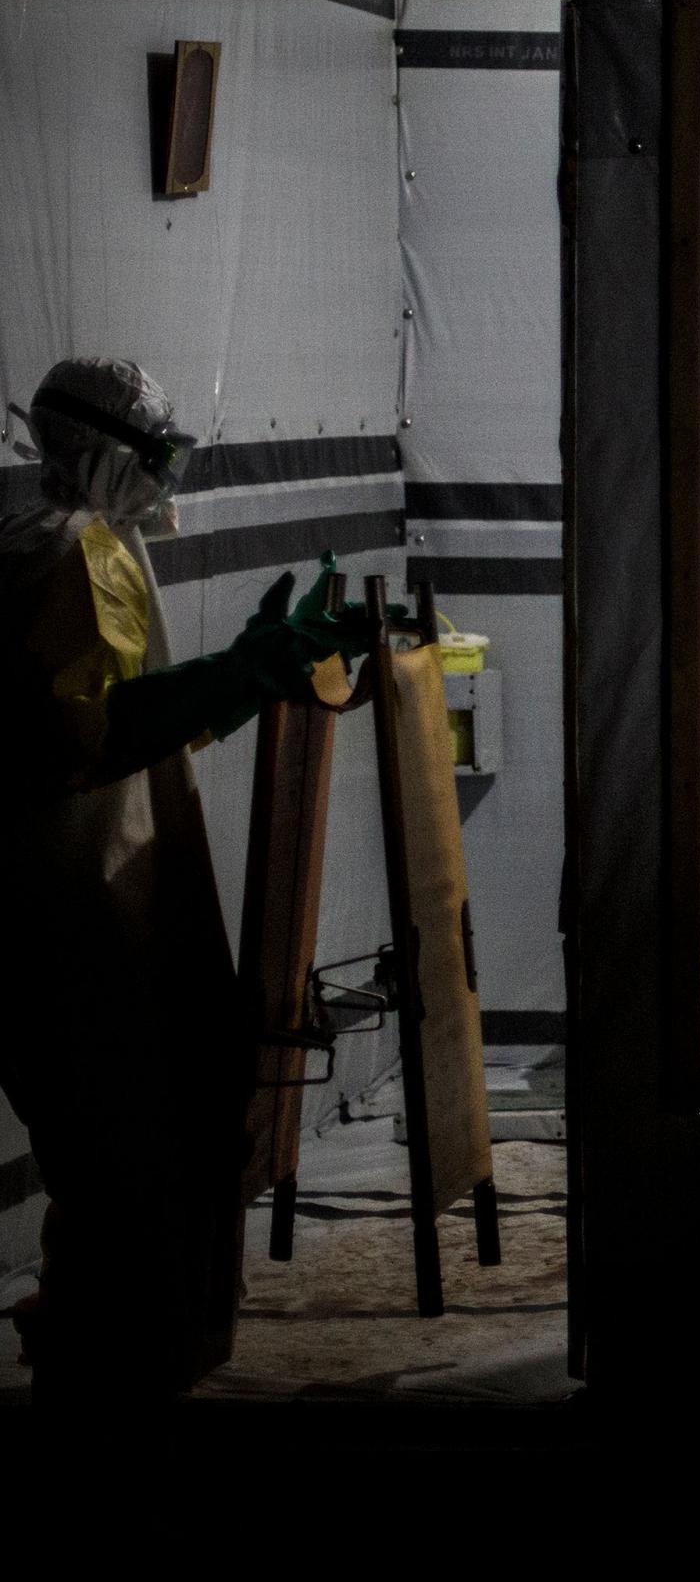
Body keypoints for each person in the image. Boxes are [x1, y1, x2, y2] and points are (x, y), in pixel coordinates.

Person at [0, 357, 375, 1404]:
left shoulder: (83, 548)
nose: (169, 480)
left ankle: (105, 1361)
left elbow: (142, 720)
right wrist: (246, 671)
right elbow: (89, 734)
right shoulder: (69, 556)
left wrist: (252, 676)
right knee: (128, 1162)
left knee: (116, 1160)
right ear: (110, 453)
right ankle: (109, 1389)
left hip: (88, 900)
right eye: (158, 457)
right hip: (78, 912)